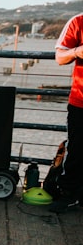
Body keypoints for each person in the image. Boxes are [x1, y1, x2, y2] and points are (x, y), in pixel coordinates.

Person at [52, 13, 83, 213]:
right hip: (80, 101)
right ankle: (69, 195)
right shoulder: (78, 21)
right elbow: (60, 56)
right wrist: (78, 51)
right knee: (78, 151)